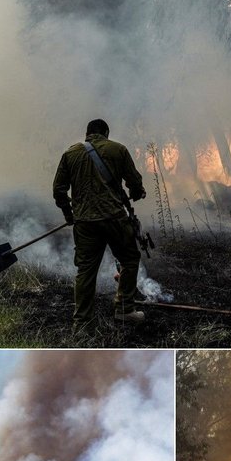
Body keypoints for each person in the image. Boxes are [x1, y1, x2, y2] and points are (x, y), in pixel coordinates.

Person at [53, 118, 147, 330]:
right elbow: (135, 183)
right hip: (114, 218)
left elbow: (58, 190)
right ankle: (124, 310)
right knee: (130, 259)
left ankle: (82, 322)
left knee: (85, 270)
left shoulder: (70, 154)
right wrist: (136, 193)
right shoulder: (118, 149)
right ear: (106, 132)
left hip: (84, 222)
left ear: (87, 134)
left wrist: (69, 214)